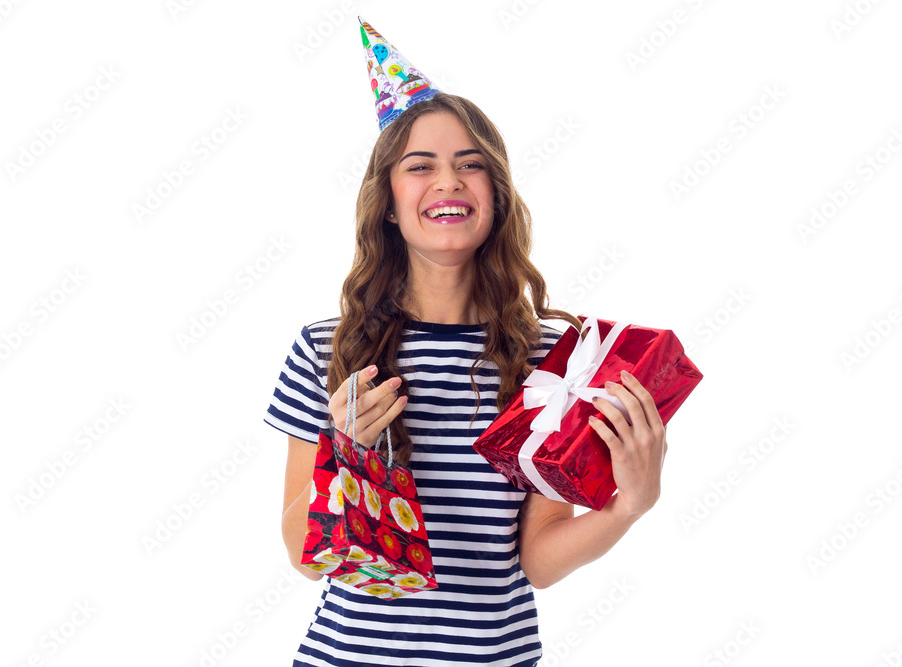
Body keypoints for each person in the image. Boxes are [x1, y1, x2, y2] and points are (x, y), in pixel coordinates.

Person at [263, 17, 667, 667]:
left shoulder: (551, 361)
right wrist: (345, 454)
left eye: (470, 166)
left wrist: (629, 505)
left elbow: (537, 558)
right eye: (420, 167)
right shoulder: (325, 348)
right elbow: (301, 555)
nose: (448, 181)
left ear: (496, 198)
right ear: (388, 204)